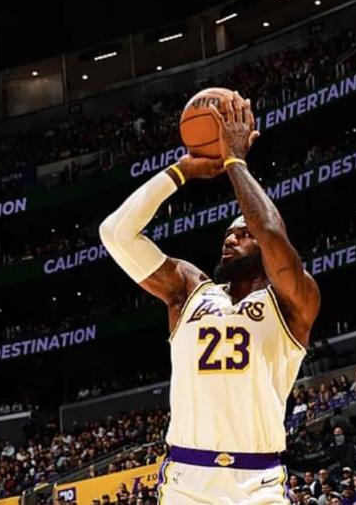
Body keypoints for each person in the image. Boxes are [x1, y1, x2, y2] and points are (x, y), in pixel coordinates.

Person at [99, 91, 320, 504]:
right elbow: (115, 233)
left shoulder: (293, 301)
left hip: (258, 483)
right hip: (187, 480)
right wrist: (180, 172)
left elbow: (271, 230)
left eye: (243, 234)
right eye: (227, 235)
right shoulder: (189, 290)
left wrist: (236, 162)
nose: (230, 240)